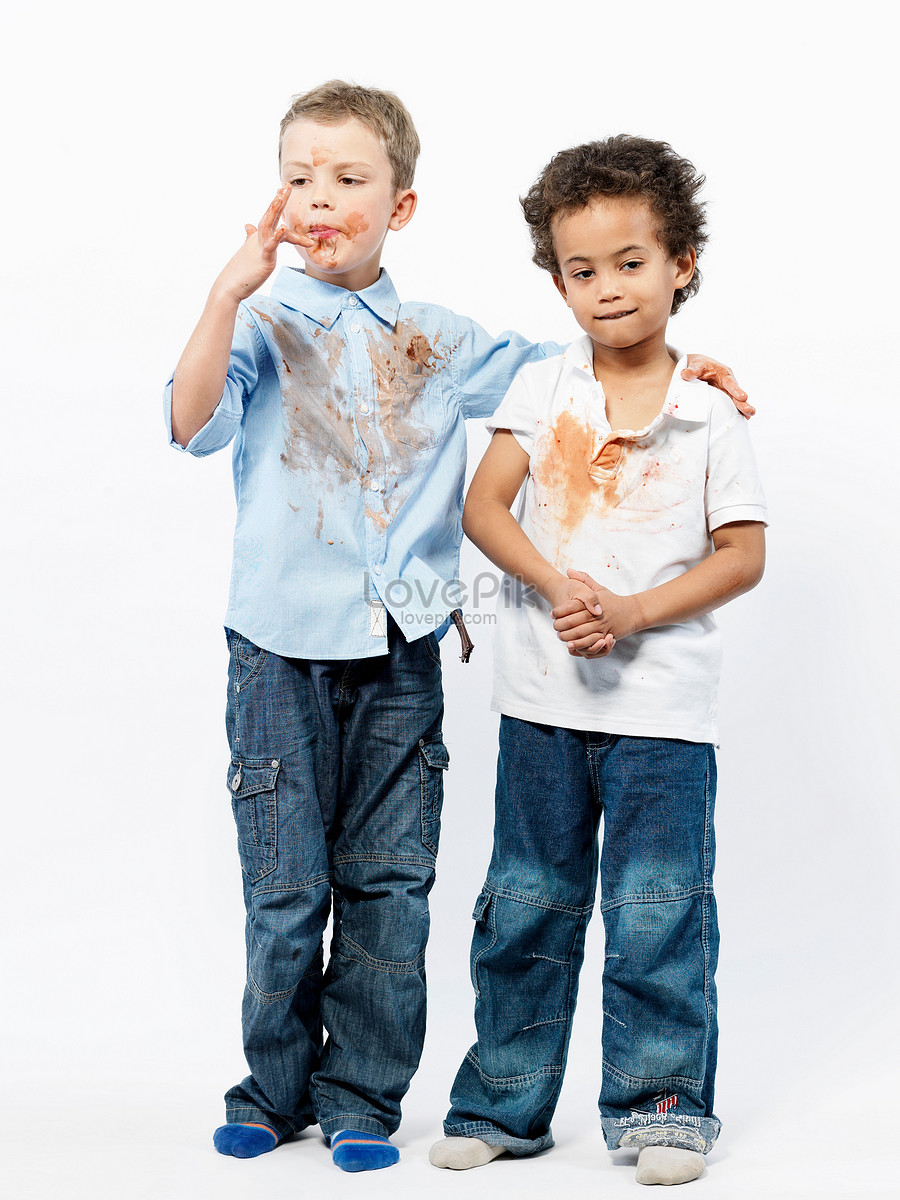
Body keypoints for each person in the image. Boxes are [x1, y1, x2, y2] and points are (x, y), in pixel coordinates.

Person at [165, 83, 751, 1174]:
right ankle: (274, 1085)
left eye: (349, 178)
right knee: (287, 887)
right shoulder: (259, 320)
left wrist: (685, 367)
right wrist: (220, 296)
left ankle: (361, 1099)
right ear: (277, 197)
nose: (319, 197)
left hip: (402, 657)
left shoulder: (444, 342)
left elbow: (580, 357)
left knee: (390, 883)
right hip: (278, 655)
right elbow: (189, 421)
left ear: (403, 206)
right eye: (299, 176)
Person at [429, 135, 767, 1187]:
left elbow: (743, 555)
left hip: (665, 718)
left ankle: (662, 1106)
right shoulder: (545, 385)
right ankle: (504, 1102)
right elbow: (485, 507)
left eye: (632, 262)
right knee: (526, 903)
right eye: (583, 270)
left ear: (683, 263)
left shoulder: (711, 410)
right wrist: (552, 582)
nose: (608, 288)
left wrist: (632, 611)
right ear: (558, 279)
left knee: (659, 910)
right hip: (540, 706)